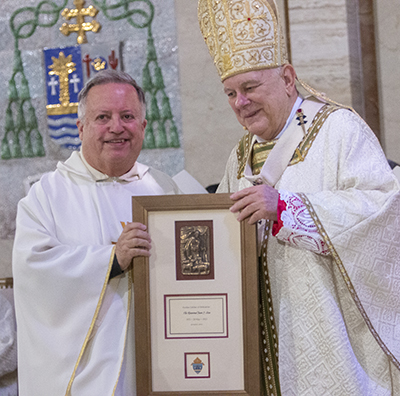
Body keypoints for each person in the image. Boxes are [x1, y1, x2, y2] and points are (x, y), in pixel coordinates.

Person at [198, 0, 400, 395]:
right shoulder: (239, 155)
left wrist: (287, 209)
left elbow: (385, 211)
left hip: (334, 346)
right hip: (265, 342)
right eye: (230, 93)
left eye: (251, 87)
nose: (240, 102)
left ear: (288, 78)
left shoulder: (339, 129)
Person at [12, 69, 180, 395]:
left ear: (143, 127)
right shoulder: (46, 196)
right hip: (81, 377)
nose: (116, 127)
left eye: (128, 116)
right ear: (81, 127)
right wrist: (112, 259)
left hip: (157, 363)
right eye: (103, 117)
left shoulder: (164, 188)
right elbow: (32, 270)